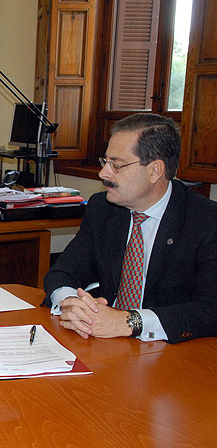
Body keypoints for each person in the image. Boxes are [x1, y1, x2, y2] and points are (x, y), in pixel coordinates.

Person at [43, 113, 217, 343]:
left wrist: (131, 322)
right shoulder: (102, 208)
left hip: (168, 352)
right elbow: (62, 272)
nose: (103, 173)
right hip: (102, 343)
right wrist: (71, 304)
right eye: (105, 162)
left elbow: (210, 310)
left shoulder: (206, 221)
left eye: (116, 164)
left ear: (155, 170)